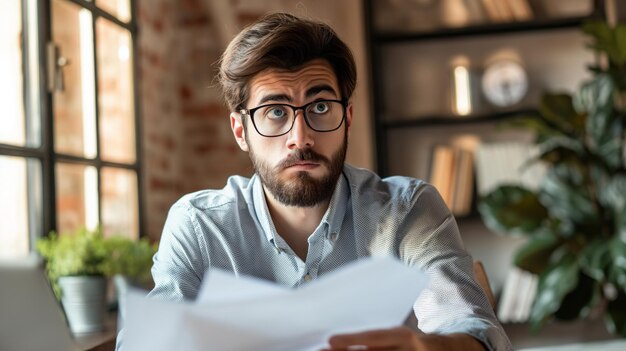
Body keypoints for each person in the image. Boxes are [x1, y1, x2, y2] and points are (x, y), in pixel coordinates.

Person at [118, 12, 512, 351]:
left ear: (349, 118)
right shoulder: (200, 226)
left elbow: (467, 326)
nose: (300, 137)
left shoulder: (407, 210)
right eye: (275, 112)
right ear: (240, 130)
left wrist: (424, 349)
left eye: (320, 107)